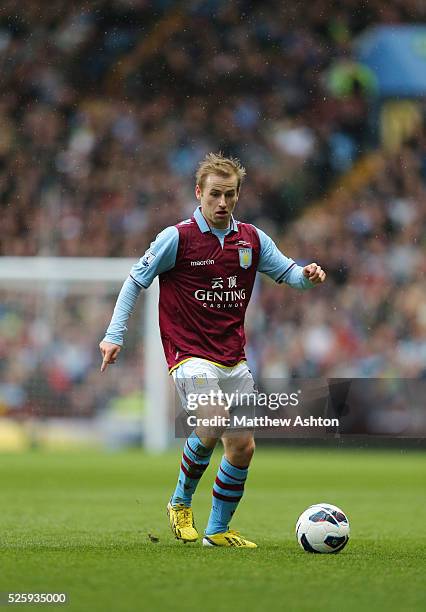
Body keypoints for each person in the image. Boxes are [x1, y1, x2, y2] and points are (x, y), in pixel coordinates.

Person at [99, 152, 326, 548]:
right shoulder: (178, 238)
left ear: (238, 195)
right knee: (214, 416)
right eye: (215, 195)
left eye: (230, 195)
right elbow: (135, 281)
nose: (222, 203)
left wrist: (307, 276)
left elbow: (289, 274)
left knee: (242, 446)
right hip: (187, 353)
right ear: (199, 192)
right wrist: (114, 334)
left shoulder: (251, 239)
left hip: (232, 357)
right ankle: (179, 501)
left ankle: (216, 531)